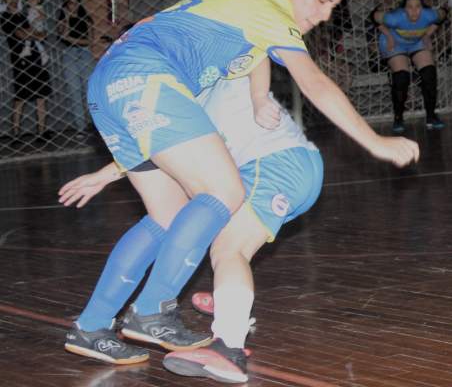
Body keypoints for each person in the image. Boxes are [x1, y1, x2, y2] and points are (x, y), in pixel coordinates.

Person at [63, 0, 419, 367]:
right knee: (224, 191)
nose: (326, 15)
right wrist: (375, 142)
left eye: (334, 7)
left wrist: (109, 171)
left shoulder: (244, 4)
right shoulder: (271, 8)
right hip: (145, 77)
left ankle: (91, 326)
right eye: (323, 0)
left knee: (169, 216)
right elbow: (313, 83)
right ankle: (151, 311)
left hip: (115, 86)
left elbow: (198, 102)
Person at [60, 74, 327, 383]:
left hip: (271, 163)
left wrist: (105, 174)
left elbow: (257, 45)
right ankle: (227, 330)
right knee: (196, 229)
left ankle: (225, 338)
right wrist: (105, 175)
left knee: (207, 235)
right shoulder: (185, 80)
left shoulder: (193, 75)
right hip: (269, 164)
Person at [372, 0, 446, 133]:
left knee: (429, 74)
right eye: (410, 7)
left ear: (422, 8)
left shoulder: (429, 15)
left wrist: (427, 34)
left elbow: (444, 13)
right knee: (402, 77)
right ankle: (398, 118)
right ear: (404, 9)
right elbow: (373, 16)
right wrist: (388, 35)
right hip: (395, 42)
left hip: (417, 42)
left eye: (418, 7)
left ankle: (431, 116)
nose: (414, 11)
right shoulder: (394, 18)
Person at [1, 0, 51, 140]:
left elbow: (42, 35)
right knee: (20, 97)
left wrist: (32, 33)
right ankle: (16, 133)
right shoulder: (4, 17)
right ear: (4, 0)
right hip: (20, 61)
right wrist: (33, 31)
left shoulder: (24, 15)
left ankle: (41, 131)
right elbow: (21, 35)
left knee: (41, 95)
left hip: (36, 57)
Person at [57, 0, 95, 139]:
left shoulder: (86, 19)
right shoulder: (62, 19)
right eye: (69, 3)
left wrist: (71, 39)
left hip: (85, 54)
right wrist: (66, 18)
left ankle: (96, 124)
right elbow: (62, 35)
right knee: (74, 92)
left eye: (74, 2)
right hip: (69, 54)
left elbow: (90, 41)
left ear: (79, 3)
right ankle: (80, 127)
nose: (72, 5)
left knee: (89, 91)